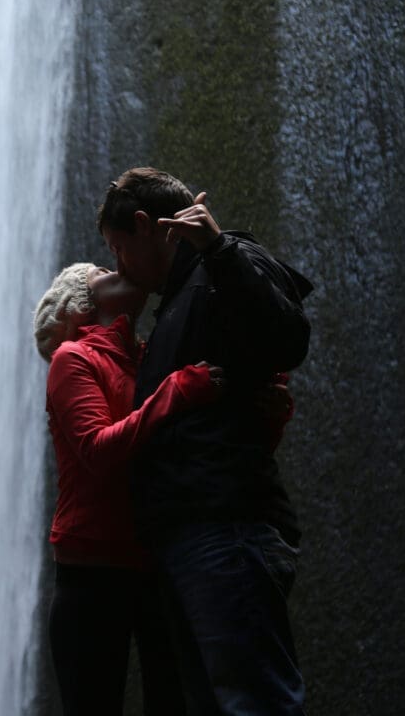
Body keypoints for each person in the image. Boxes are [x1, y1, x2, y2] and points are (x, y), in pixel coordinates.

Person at [97, 167, 314, 715]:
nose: (119, 266)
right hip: (190, 536)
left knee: (255, 703)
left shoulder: (226, 260)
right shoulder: (177, 299)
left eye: (119, 249)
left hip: (225, 529)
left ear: (145, 225)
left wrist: (218, 247)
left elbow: (288, 337)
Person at [34, 261, 224, 715]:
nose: (114, 266)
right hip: (91, 571)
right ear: (79, 304)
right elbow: (98, 449)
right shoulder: (72, 359)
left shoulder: (146, 356)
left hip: (153, 559)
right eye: (98, 271)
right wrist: (177, 390)